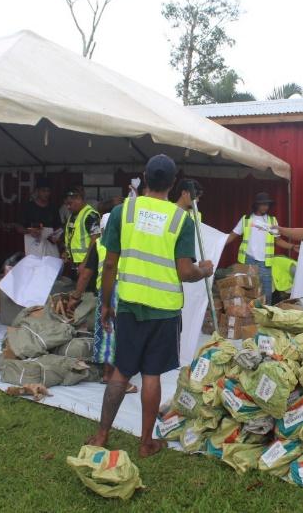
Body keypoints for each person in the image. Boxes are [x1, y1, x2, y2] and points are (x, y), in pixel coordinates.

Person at [88, 154, 213, 457]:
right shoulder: (180, 219)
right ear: (173, 184)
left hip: (129, 305)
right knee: (152, 375)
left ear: (144, 177)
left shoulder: (123, 212)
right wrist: (204, 270)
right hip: (164, 310)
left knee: (121, 371)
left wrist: (106, 303)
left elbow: (109, 266)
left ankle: (102, 435)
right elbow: (185, 271)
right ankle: (145, 442)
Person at [67, 197, 132, 387]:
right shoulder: (125, 245)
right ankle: (114, 375)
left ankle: (106, 373)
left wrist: (76, 296)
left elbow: (86, 274)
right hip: (122, 290)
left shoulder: (99, 245)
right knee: (119, 332)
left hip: (105, 290)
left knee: (106, 331)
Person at [225, 192, 296, 304]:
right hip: (248, 259)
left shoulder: (272, 221)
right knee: (248, 290)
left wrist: (292, 246)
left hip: (265, 262)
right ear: (256, 205)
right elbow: (233, 235)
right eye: (263, 204)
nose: (265, 207)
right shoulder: (246, 219)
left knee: (266, 292)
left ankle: (265, 316)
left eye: (267, 204)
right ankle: (250, 316)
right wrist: (218, 245)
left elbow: (278, 241)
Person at [63, 186, 100, 278]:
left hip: (87, 265)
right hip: (74, 264)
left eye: (70, 203)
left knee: (86, 292)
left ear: (79, 199)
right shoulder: (73, 215)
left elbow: (95, 240)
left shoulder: (90, 215)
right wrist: (67, 252)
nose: (68, 207)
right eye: (66, 204)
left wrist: (85, 263)